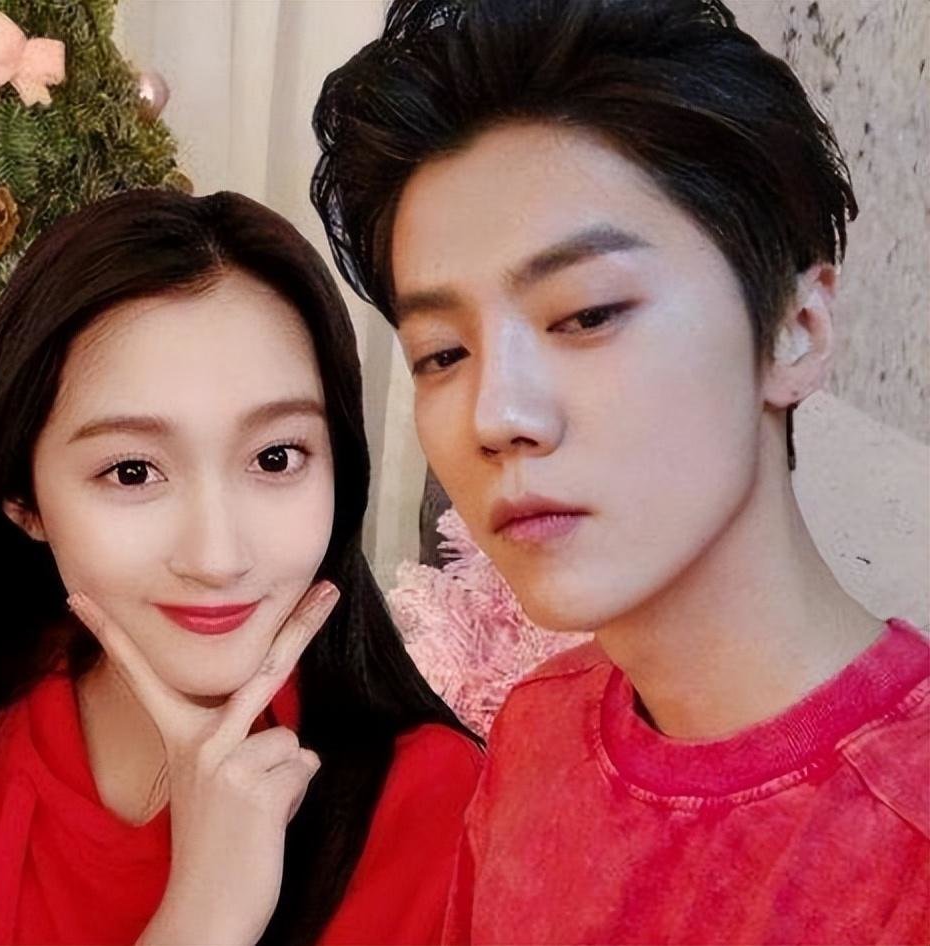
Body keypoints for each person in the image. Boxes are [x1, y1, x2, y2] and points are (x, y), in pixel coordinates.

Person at [310, 0, 930, 942]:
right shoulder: (537, 732)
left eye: (588, 314)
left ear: (795, 332)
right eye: (442, 354)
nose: (496, 416)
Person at [0, 189, 482, 946]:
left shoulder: (449, 811)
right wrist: (202, 921)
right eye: (132, 472)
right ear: (23, 497)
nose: (217, 558)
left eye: (276, 458)